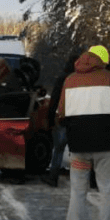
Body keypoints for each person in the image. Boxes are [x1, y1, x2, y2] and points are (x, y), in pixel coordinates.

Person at [56, 44, 110, 220]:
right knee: (107, 190)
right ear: (102, 60)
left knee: (78, 191)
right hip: (105, 145)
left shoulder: (69, 80)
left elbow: (62, 111)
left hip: (78, 145)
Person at [42, 53, 79, 187]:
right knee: (78, 152)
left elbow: (55, 100)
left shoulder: (63, 79)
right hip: (78, 120)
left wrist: (50, 118)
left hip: (63, 119)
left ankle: (53, 176)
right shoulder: (82, 79)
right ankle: (80, 179)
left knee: (58, 150)